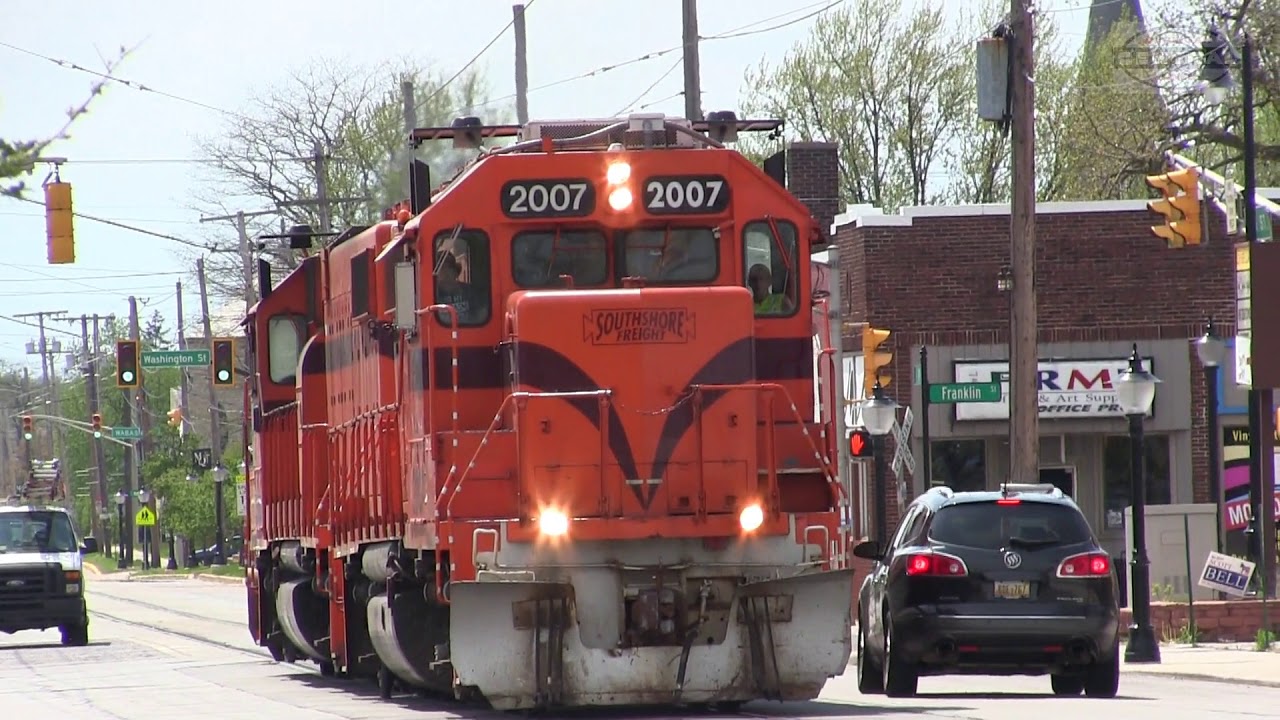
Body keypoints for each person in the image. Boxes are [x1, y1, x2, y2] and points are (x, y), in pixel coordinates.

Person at [434, 252, 483, 324]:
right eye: (441, 269)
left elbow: (481, 313)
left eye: (449, 268)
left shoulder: (469, 291)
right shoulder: (434, 295)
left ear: (455, 272)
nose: (446, 273)